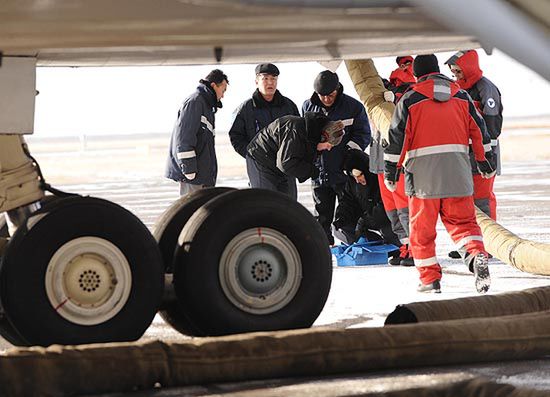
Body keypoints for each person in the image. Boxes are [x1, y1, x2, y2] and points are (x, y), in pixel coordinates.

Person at [384, 54, 495, 294]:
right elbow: (480, 131)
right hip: (458, 175)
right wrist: (485, 162)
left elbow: (397, 140)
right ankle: (476, 256)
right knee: (464, 225)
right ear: (438, 71)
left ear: (416, 75)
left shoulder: (410, 100)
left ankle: (429, 279)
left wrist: (391, 172)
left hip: (424, 182)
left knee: (422, 232)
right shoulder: (462, 96)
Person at [302, 70, 371, 245]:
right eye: (322, 96)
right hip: (319, 172)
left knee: (347, 213)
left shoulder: (354, 107)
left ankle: (350, 245)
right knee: (321, 215)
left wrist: (349, 155)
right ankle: (324, 248)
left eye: (330, 95)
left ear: (337, 89)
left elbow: (363, 135)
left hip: (343, 172)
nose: (326, 99)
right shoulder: (308, 107)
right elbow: (304, 136)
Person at [229, 63, 300, 186]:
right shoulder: (246, 109)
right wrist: (252, 155)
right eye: (265, 78)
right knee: (263, 203)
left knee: (288, 204)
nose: (270, 83)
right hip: (260, 168)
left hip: (286, 167)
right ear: (256, 81)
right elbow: (236, 136)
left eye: (273, 79)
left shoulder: (289, 106)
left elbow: (300, 133)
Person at [246, 112, 344, 199]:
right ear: (323, 137)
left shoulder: (312, 137)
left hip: (281, 165)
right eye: (329, 145)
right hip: (261, 160)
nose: (329, 149)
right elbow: (285, 164)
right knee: (267, 202)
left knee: (289, 205)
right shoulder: (295, 130)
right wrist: (311, 171)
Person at [165, 69, 228, 195]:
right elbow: (184, 138)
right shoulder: (195, 102)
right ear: (214, 85)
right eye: (223, 90)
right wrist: (189, 171)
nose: (223, 95)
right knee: (191, 211)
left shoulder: (207, 106)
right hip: (193, 178)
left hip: (202, 176)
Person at [333, 148, 400, 248]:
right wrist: (341, 218)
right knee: (342, 227)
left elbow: (385, 206)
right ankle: (366, 245)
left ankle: (394, 247)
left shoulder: (379, 178)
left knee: (390, 230)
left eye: (357, 174)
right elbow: (347, 203)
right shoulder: (352, 183)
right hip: (364, 220)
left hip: (383, 220)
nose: (357, 179)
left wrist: (366, 220)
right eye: (352, 175)